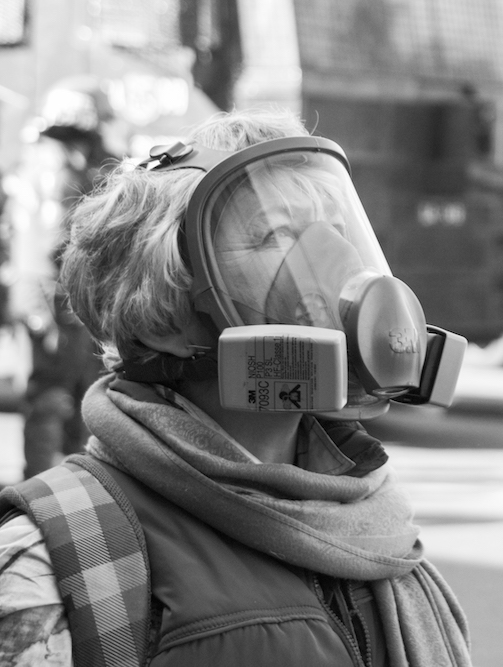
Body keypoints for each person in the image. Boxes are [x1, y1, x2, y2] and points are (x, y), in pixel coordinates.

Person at [0, 109, 471, 666]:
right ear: (164, 315)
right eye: (276, 235)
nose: (336, 265)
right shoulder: (57, 561)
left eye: (336, 230)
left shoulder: (377, 527)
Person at [5, 77, 113, 479]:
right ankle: (51, 488)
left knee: (52, 392)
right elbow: (57, 242)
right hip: (55, 296)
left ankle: (45, 482)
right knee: (58, 395)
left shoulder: (32, 162)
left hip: (35, 292)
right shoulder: (62, 168)